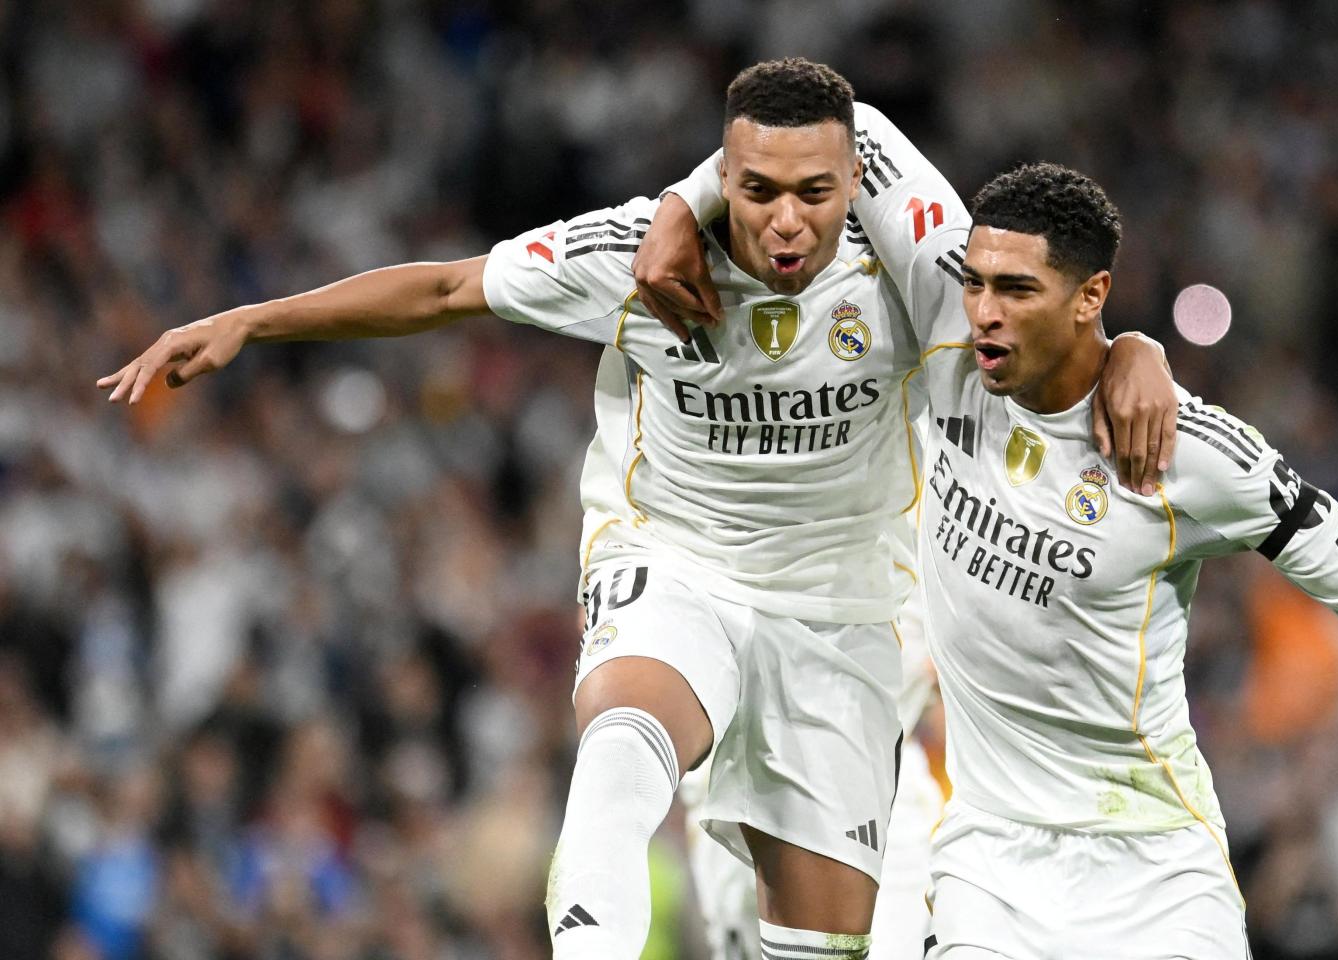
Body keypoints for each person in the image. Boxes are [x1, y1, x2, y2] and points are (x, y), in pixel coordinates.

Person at [96, 60, 1178, 959]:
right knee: (623, 745)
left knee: (820, 944)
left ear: (854, 183)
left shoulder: (912, 274)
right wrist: (254, 318)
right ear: (723, 180)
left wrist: (1136, 349)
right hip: (677, 562)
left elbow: (1045, 330)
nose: (786, 221)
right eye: (754, 191)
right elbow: (443, 290)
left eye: (814, 193)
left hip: (842, 616)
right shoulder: (633, 258)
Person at [649, 122, 1338, 958]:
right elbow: (834, 118)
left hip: (1156, 875)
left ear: (1090, 295)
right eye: (976, 283)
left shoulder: (1191, 458)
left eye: (1016, 291)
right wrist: (682, 208)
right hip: (990, 870)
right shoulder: (946, 326)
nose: (982, 311)